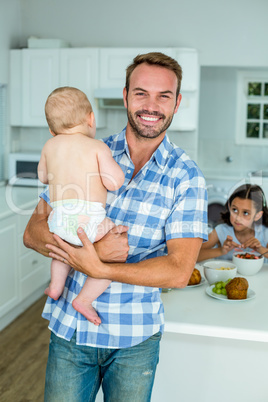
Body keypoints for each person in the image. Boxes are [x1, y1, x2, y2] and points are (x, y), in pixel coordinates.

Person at [24, 52, 208, 402]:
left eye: (163, 96)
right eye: (141, 93)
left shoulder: (186, 177)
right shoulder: (86, 149)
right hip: (70, 334)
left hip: (135, 339)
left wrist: (97, 266)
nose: (151, 105)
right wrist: (90, 256)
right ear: (125, 96)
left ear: (177, 102)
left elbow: (179, 271)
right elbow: (32, 231)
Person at [38, 86, 125, 325]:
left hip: (58, 220)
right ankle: (84, 300)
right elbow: (114, 182)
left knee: (62, 254)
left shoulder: (49, 146)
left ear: (51, 129)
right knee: (111, 259)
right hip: (88, 221)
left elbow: (43, 177)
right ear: (90, 119)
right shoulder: (97, 147)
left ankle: (55, 287)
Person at [197, 183, 268, 262]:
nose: (237, 217)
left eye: (245, 213)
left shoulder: (265, 234)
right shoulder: (220, 231)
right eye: (235, 210)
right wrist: (221, 251)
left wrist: (260, 249)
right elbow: (192, 255)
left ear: (257, 216)